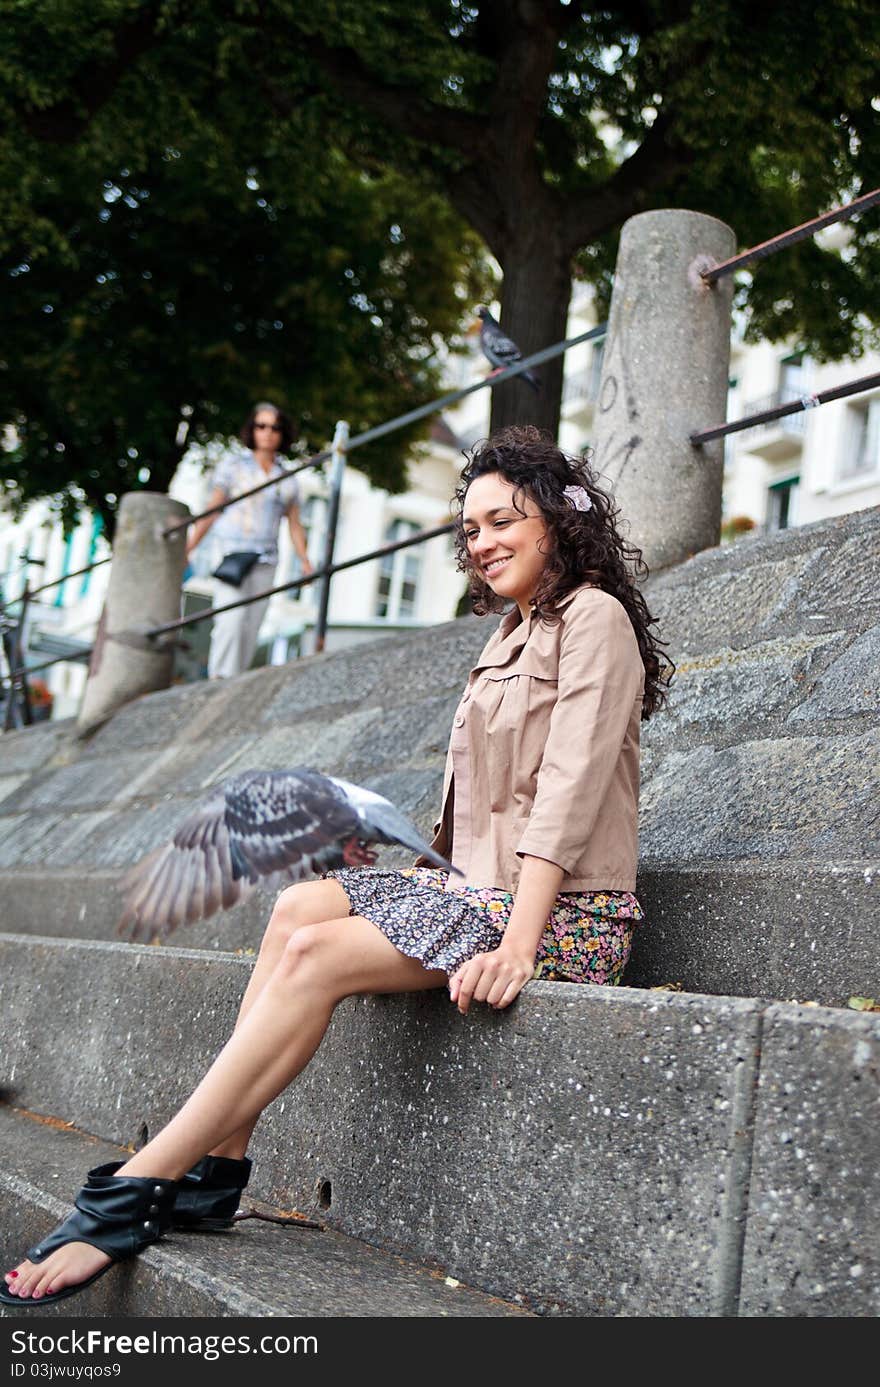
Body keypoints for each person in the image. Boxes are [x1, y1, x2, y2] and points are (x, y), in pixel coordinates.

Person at [1, 425, 672, 1307]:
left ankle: (135, 1188)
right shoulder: (511, 632)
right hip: (481, 890)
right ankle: (217, 1172)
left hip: (563, 914)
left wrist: (517, 939)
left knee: (317, 956)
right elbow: (476, 805)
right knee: (299, 909)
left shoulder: (596, 618)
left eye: (503, 520)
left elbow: (570, 790)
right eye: (470, 529)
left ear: (554, 520)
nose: (483, 542)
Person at [186, 402, 313, 678]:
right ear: (252, 430)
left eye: (275, 427)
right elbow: (212, 509)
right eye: (262, 426)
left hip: (265, 559)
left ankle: (234, 680)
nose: (268, 433)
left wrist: (304, 560)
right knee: (231, 621)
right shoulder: (233, 467)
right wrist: (190, 546)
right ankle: (219, 678)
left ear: (283, 434)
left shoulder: (286, 478)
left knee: (251, 624)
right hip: (232, 553)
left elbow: (294, 524)